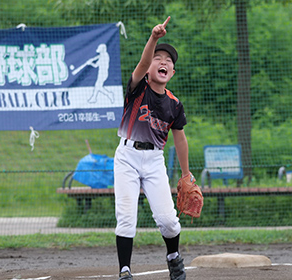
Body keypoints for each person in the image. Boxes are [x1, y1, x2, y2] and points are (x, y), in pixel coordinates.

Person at [113, 16, 189, 280]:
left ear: (172, 72)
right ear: (148, 68)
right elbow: (144, 62)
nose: (164, 62)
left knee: (168, 220)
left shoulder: (174, 105)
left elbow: (180, 138)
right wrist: (153, 38)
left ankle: (173, 257)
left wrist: (186, 174)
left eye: (169, 61)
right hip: (127, 156)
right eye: (159, 58)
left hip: (154, 160)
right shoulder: (137, 88)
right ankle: (125, 270)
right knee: (126, 217)